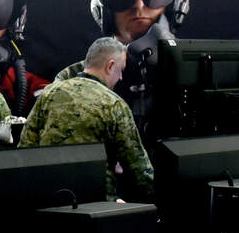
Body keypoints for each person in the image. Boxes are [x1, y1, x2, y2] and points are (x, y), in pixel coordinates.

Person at [57, 0, 192, 143]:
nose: (138, 5)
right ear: (102, 9)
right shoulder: (72, 83)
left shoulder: (199, 76)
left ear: (177, 3)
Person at [19, 37, 154, 201]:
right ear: (110, 66)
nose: (120, 78)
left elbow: (26, 149)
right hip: (98, 206)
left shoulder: (49, 93)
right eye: (121, 70)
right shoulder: (114, 104)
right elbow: (139, 170)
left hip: (50, 202)